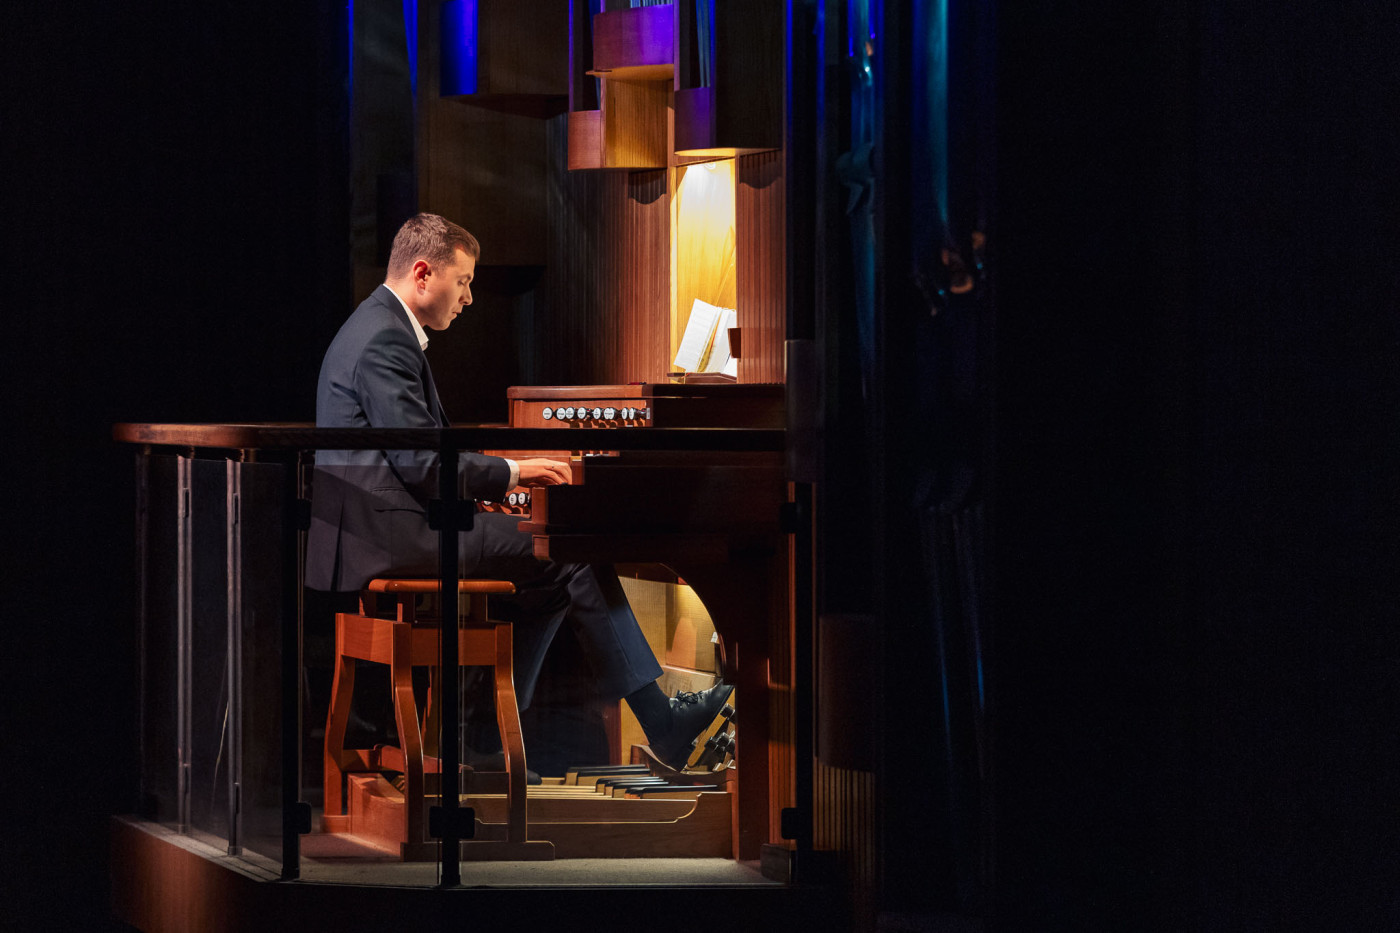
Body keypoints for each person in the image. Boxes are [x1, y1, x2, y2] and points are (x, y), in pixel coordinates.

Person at [306, 212, 730, 769]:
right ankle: (660, 721)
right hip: (390, 534)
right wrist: (514, 472)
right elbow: (424, 465)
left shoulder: (374, 325)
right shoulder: (385, 339)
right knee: (569, 554)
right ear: (423, 273)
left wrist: (497, 479)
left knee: (549, 580)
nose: (469, 297)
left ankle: (484, 735)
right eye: (463, 282)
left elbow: (415, 458)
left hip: (380, 527)